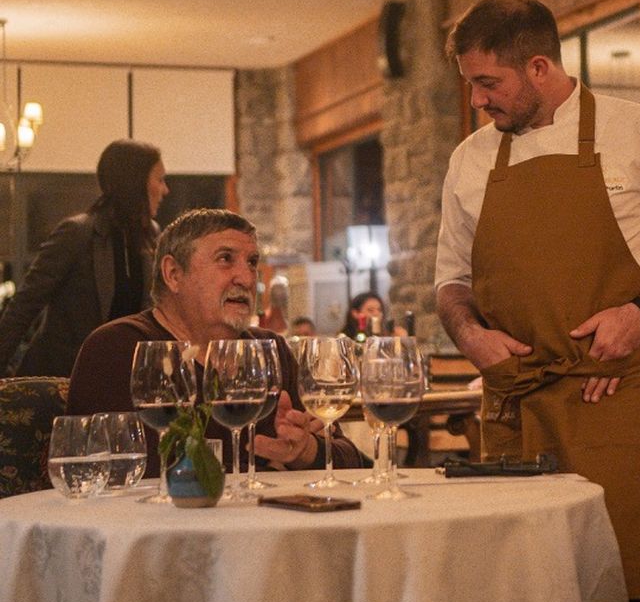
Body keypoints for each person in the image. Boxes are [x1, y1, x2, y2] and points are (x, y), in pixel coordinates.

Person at [435, 0, 640, 600]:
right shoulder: (469, 161)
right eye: (470, 84)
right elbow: (451, 283)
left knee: (620, 585)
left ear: (540, 68)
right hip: (514, 406)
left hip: (614, 401)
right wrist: (469, 335)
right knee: (518, 593)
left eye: (488, 83)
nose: (477, 100)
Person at [68, 209, 366, 477]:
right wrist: (263, 470)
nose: (247, 278)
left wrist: (306, 453)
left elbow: (353, 462)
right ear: (173, 274)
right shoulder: (120, 348)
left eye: (251, 263)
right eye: (225, 259)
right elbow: (124, 470)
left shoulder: (269, 350)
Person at [0, 139, 168, 377]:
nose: (165, 189)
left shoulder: (151, 234)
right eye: (159, 179)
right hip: (61, 378)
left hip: (118, 376)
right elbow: (24, 305)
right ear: (135, 183)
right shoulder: (77, 233)